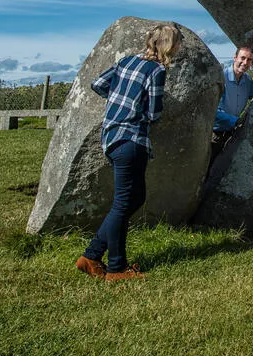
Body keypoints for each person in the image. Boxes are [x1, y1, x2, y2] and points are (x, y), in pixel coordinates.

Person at [75, 23, 181, 282]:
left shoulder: (126, 62)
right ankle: (116, 268)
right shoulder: (156, 70)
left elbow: (98, 84)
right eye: (178, 43)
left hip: (111, 138)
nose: (180, 48)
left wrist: (119, 99)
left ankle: (91, 256)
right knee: (124, 202)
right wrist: (135, 109)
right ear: (169, 45)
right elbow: (154, 112)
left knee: (134, 198)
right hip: (131, 139)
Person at [214, 45, 253, 139]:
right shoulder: (220, 77)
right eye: (242, 58)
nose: (245, 62)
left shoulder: (247, 80)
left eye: (249, 60)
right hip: (214, 133)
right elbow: (211, 110)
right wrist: (236, 121)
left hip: (233, 133)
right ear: (235, 58)